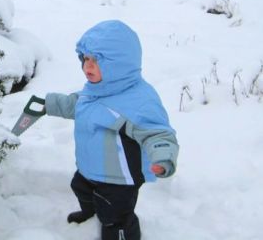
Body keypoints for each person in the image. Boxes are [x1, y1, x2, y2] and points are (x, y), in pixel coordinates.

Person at [43, 20, 179, 240]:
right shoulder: (97, 89)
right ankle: (91, 211)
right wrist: (49, 104)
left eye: (96, 60)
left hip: (120, 179)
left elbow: (158, 133)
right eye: (85, 58)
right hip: (90, 168)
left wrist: (163, 158)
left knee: (115, 215)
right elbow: (76, 105)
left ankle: (121, 232)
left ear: (119, 65)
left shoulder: (139, 101)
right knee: (80, 188)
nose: (87, 66)